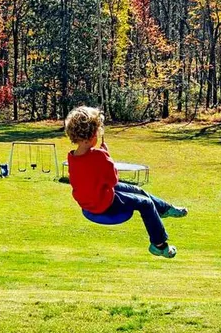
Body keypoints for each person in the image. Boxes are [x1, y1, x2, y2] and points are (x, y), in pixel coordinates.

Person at [65, 106, 187, 258]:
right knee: (146, 204)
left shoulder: (72, 157)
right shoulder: (98, 156)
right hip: (103, 204)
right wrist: (107, 156)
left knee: (137, 190)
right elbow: (112, 180)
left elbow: (90, 178)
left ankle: (164, 209)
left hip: (92, 198)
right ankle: (159, 245)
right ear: (91, 136)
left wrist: (102, 157)